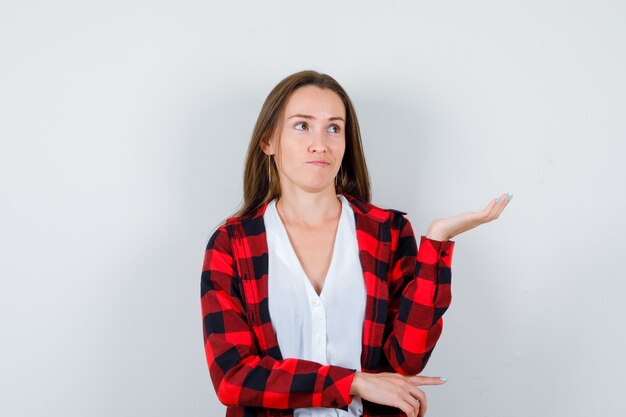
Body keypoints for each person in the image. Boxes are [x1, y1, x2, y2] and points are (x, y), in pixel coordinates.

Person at [200, 70, 511, 417]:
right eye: (302, 125)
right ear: (268, 141)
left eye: (334, 128)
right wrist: (353, 382)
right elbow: (233, 377)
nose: (320, 143)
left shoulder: (387, 233)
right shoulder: (233, 244)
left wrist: (437, 243)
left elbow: (406, 360)